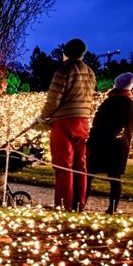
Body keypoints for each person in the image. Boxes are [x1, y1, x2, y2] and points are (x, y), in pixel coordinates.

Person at [36, 38, 97, 211]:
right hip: (83, 120)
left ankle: (64, 204)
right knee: (80, 164)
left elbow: (54, 99)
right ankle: (79, 203)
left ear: (66, 53)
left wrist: (43, 117)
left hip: (64, 121)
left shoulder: (63, 71)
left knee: (63, 164)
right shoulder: (90, 72)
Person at [87, 72, 133, 214]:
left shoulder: (110, 102)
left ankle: (79, 204)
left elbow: (98, 124)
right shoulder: (132, 105)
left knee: (88, 174)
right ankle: (112, 209)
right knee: (115, 178)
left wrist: (91, 143)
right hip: (121, 146)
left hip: (102, 143)